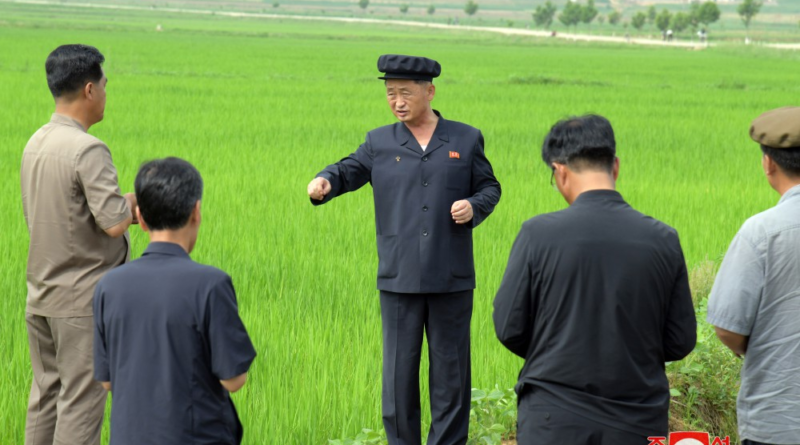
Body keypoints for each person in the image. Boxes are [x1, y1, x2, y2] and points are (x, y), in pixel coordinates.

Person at [307, 54, 501, 445]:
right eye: (390, 93)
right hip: (399, 277)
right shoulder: (379, 142)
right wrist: (325, 180)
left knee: (451, 374)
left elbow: (489, 187)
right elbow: (348, 169)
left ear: (430, 92)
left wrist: (474, 206)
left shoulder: (465, 138)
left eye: (405, 93)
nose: (397, 101)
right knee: (398, 376)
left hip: (451, 276)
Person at [493, 115, 696, 443]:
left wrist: (557, 350)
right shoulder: (663, 239)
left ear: (559, 171)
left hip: (553, 420)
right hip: (637, 421)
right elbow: (679, 340)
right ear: (615, 166)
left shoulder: (537, 235)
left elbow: (509, 328)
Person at [93, 157, 257, 445]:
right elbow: (234, 380)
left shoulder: (109, 286)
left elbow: (107, 381)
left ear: (140, 218)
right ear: (196, 212)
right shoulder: (210, 284)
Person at [20, 44, 136, 445]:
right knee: (81, 404)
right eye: (104, 85)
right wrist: (134, 202)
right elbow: (115, 222)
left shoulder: (37, 141)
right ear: (89, 90)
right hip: (81, 302)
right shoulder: (88, 148)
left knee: (45, 397)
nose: (105, 93)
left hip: (42, 294)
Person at [707, 107, 800, 445]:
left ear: (768, 164)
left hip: (780, 421)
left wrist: (765, 345)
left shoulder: (761, 232)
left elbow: (727, 327)